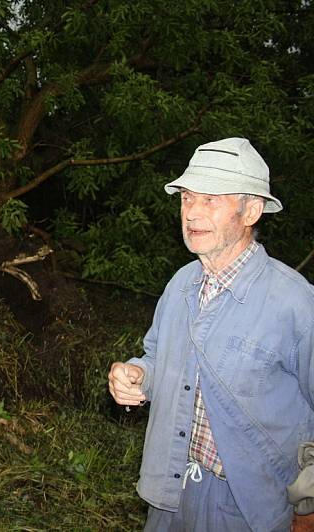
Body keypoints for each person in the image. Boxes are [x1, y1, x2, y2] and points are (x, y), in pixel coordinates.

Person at [107, 137, 314, 531]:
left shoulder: (296, 304)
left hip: (247, 506)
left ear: (251, 210)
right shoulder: (181, 284)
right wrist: (137, 376)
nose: (192, 213)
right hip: (170, 491)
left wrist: (309, 506)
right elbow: (156, 358)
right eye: (187, 198)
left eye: (211, 200)